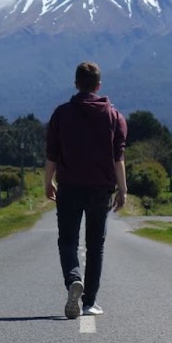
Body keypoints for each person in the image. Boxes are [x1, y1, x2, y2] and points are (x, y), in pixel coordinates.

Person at [44, 61, 128, 319]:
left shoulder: (61, 114)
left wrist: (48, 182)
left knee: (68, 241)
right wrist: (122, 189)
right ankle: (90, 302)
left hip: (69, 186)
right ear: (98, 85)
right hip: (100, 189)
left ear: (76, 84)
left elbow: (52, 155)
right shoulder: (114, 116)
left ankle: (73, 280)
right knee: (95, 245)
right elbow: (118, 158)